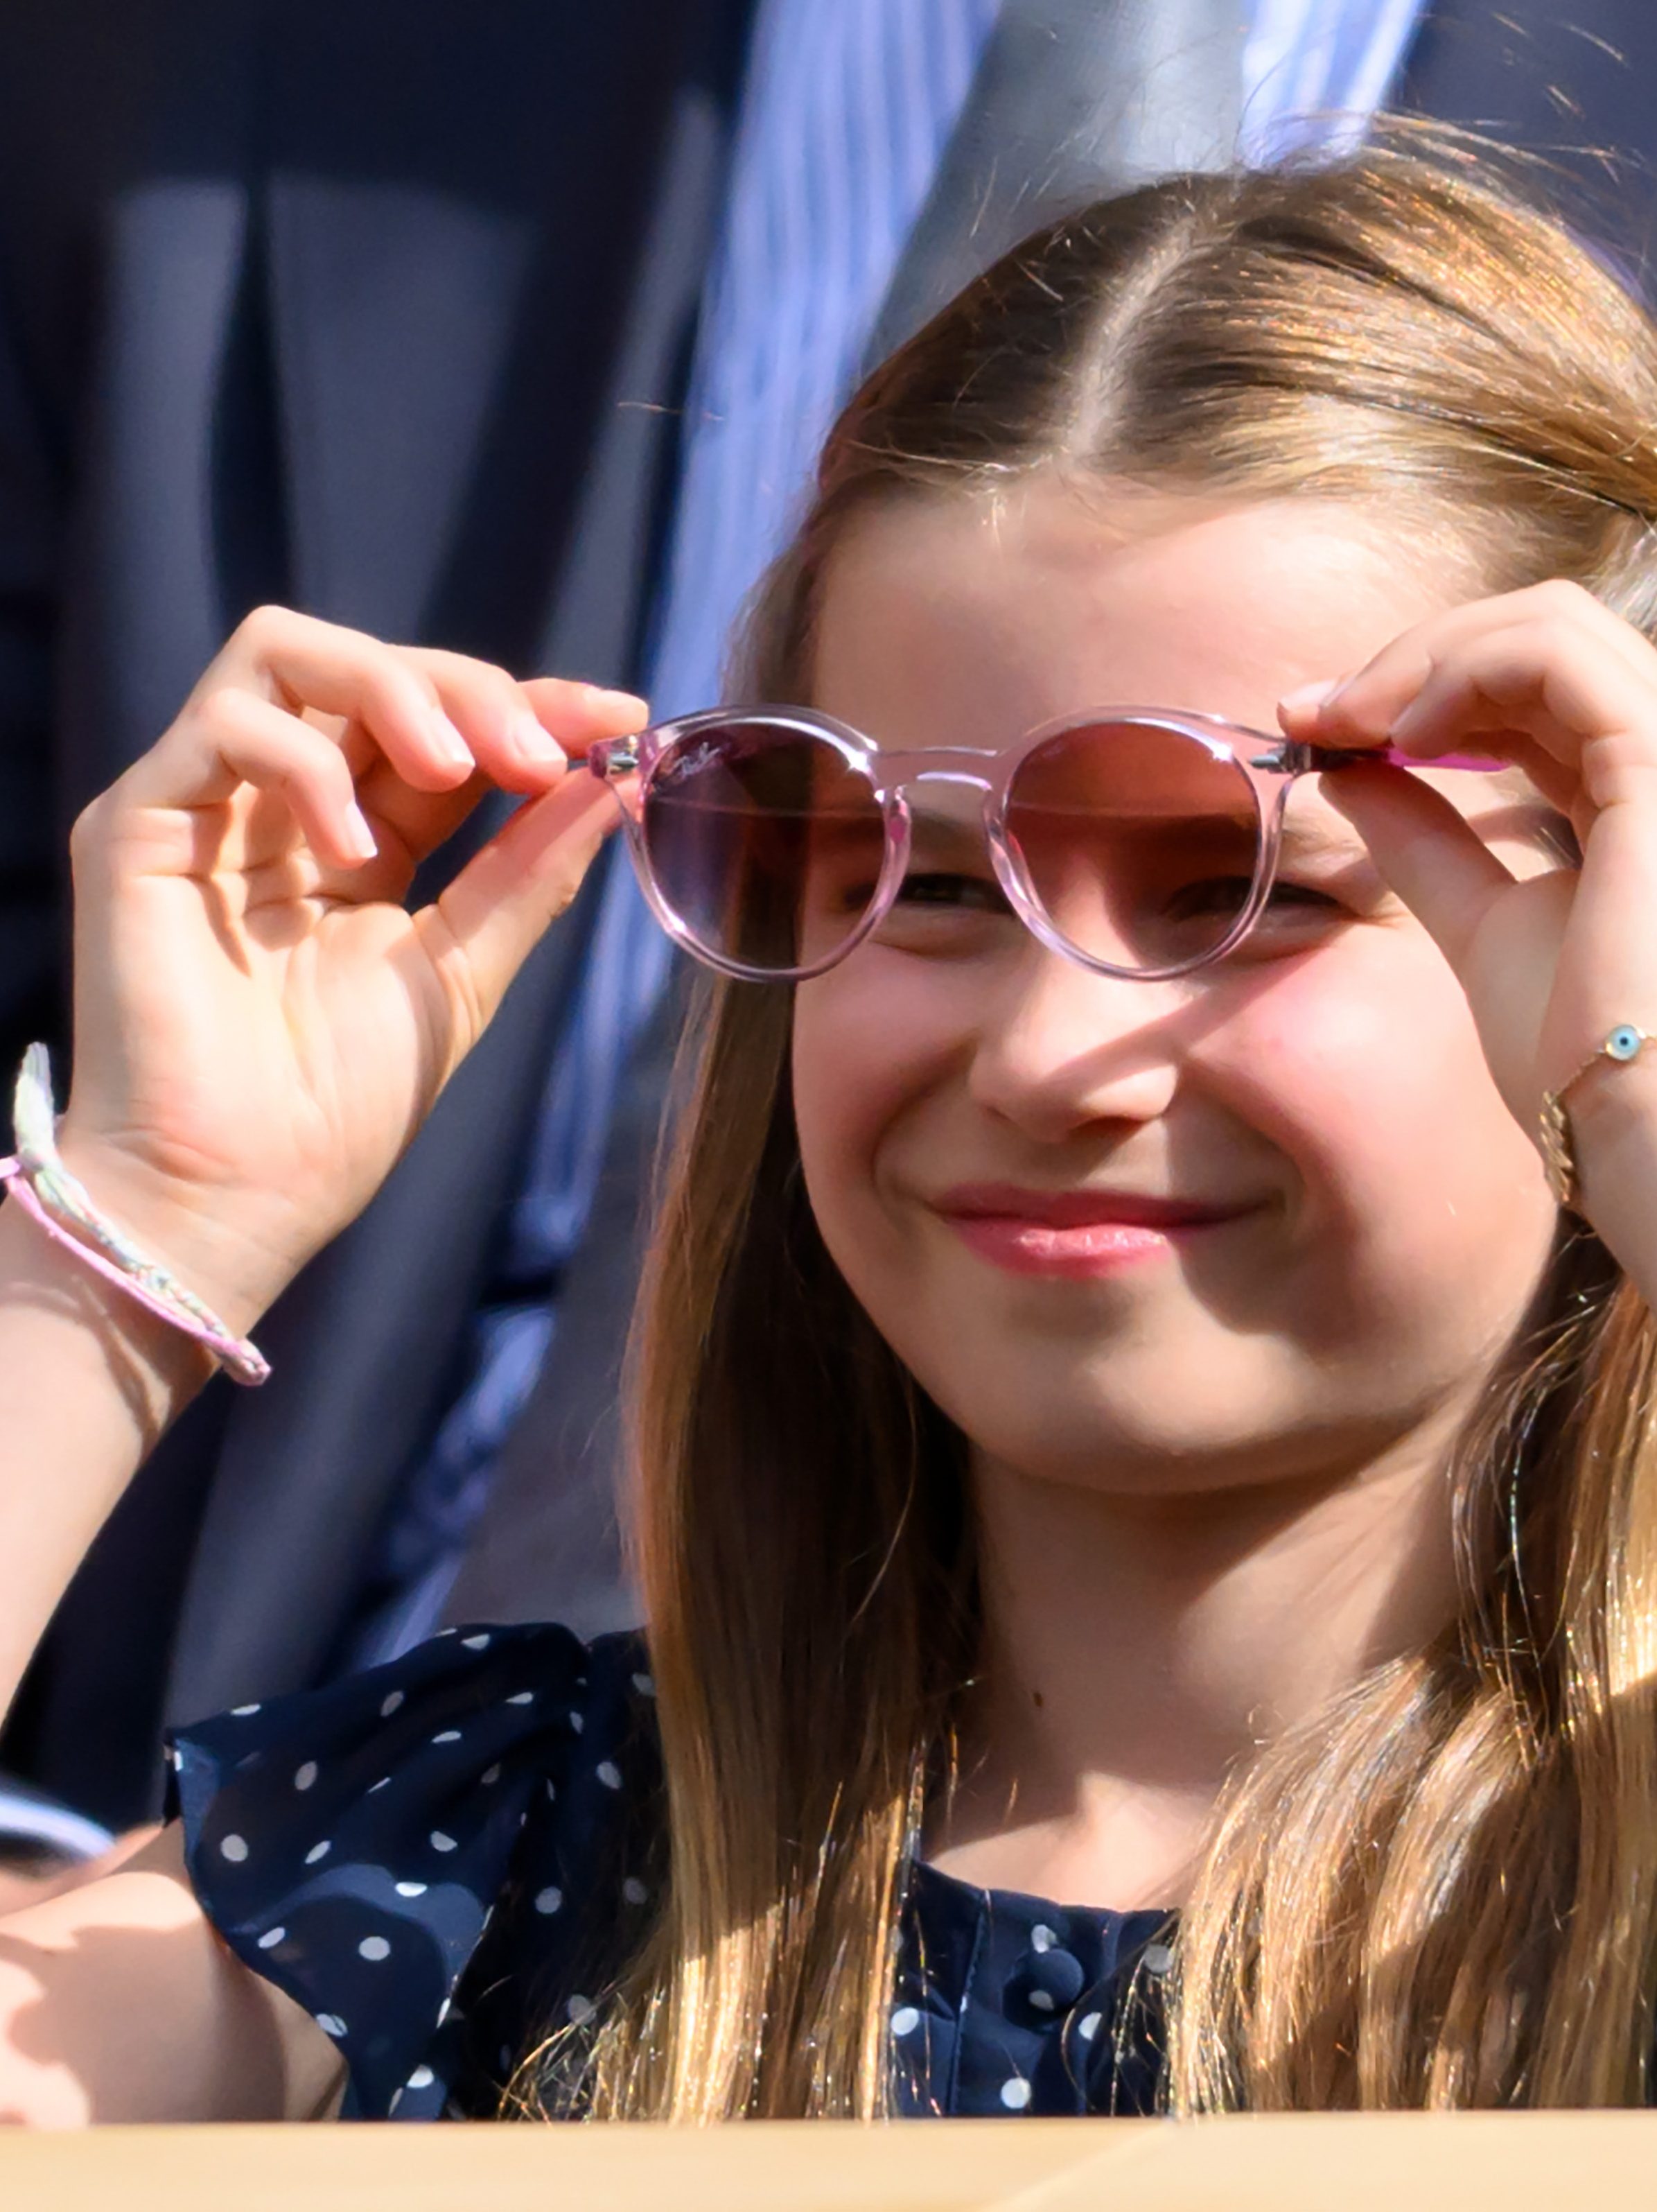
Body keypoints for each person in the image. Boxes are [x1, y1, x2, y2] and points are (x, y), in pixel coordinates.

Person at [6, 136, 1657, 2123]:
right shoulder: (476, 1865)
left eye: (1246, 887)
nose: (1051, 1058)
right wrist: (138, 1221)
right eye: (928, 886)